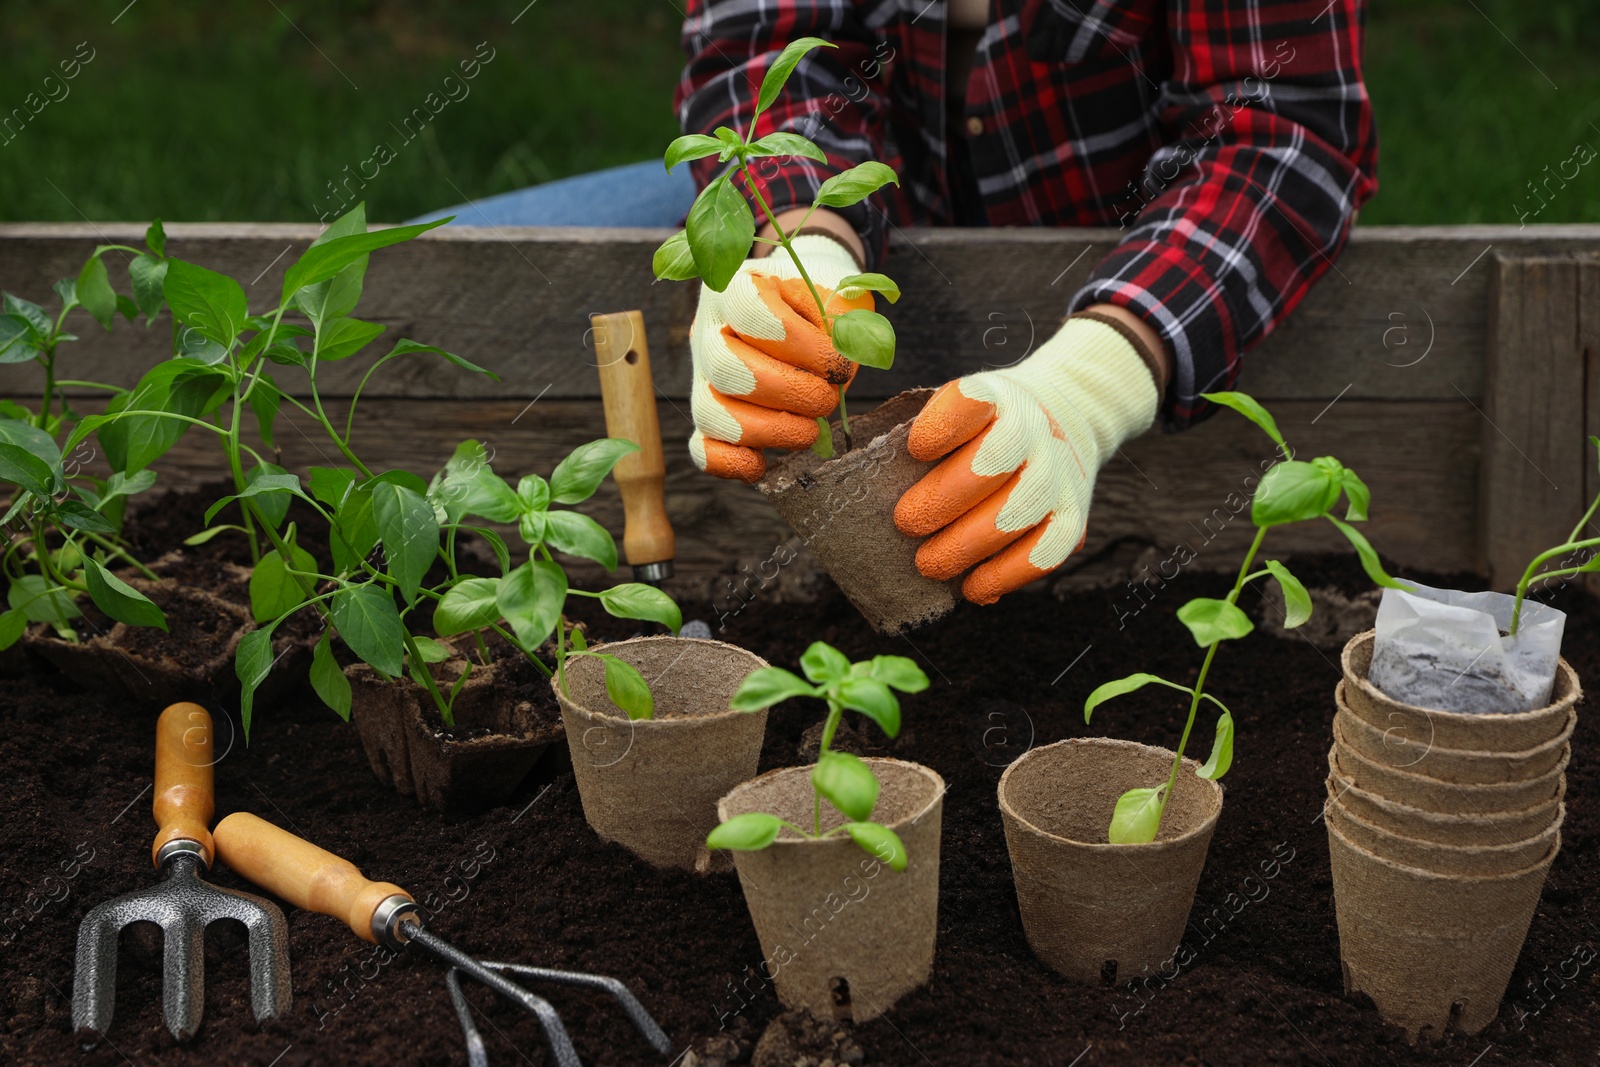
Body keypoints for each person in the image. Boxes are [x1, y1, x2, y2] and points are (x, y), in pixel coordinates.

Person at [420, 0, 1375, 606]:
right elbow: (765, 52)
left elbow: (1280, 131)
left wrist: (1094, 381)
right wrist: (796, 249)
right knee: (431, 271)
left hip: (1129, 243)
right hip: (880, 210)